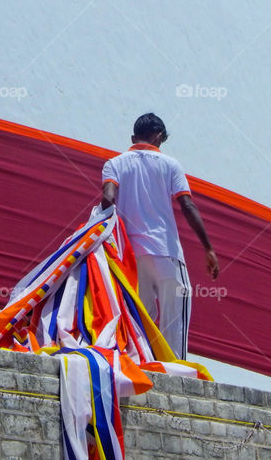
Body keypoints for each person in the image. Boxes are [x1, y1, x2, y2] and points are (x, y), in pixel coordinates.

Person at [101, 113, 220, 360]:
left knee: (138, 318)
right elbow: (187, 205)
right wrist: (208, 248)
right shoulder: (170, 165)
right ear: (159, 137)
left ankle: (141, 364)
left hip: (132, 256)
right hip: (166, 253)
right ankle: (177, 373)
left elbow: (108, 199)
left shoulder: (115, 163)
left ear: (133, 137)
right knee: (174, 318)